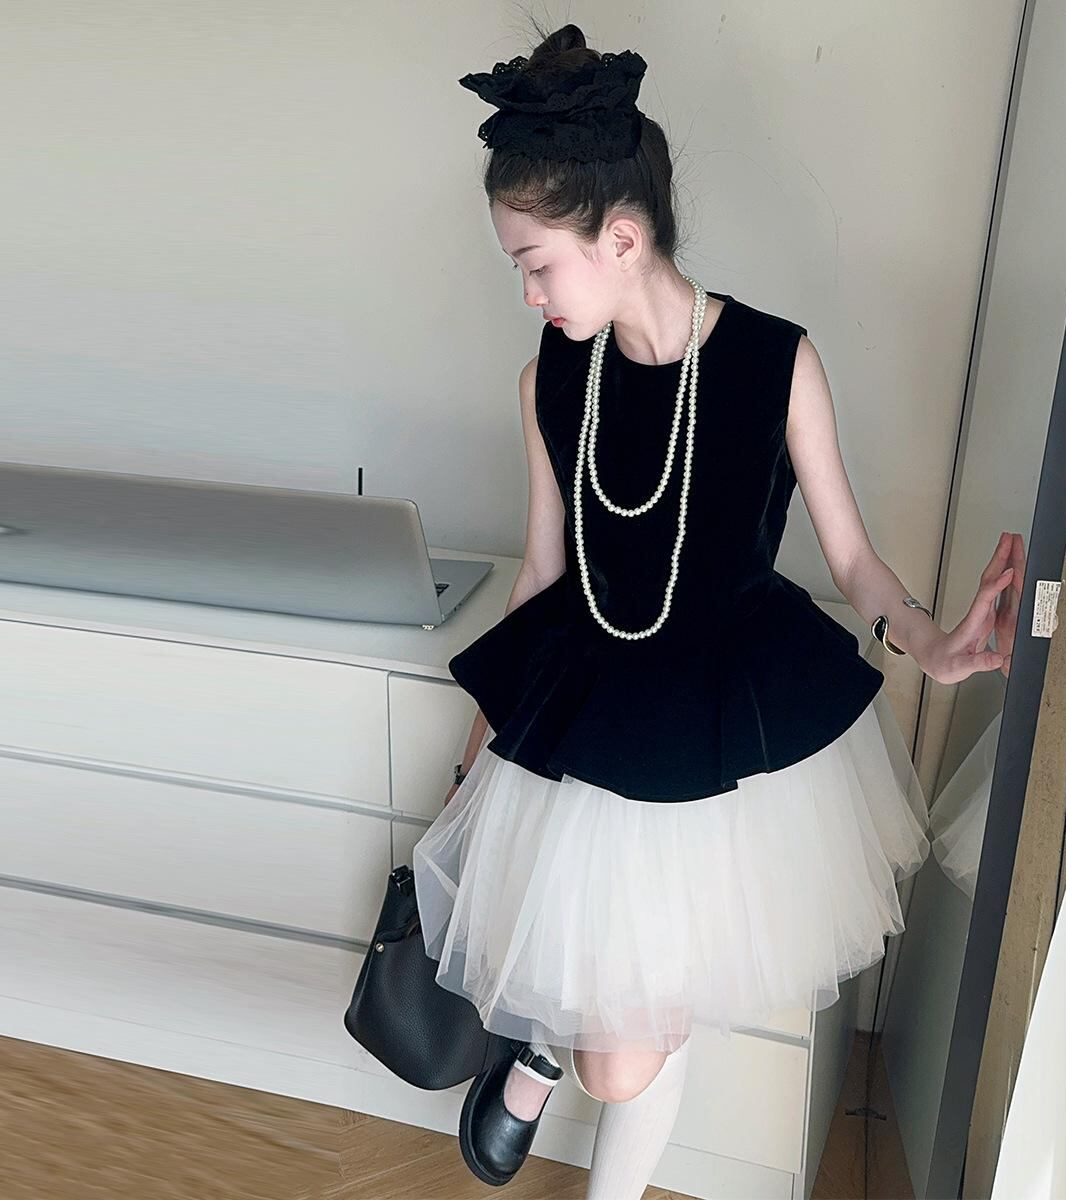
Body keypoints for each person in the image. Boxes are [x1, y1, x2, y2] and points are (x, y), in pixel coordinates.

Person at [412, 20, 1017, 1196]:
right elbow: (541, 578)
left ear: (620, 237)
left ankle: (549, 1053)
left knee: (631, 1050)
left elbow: (854, 561)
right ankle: (543, 1043)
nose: (527, 292)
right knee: (627, 1032)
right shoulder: (551, 379)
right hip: (587, 703)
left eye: (536, 263)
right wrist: (476, 758)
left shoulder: (776, 364)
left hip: (721, 727)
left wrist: (936, 648)